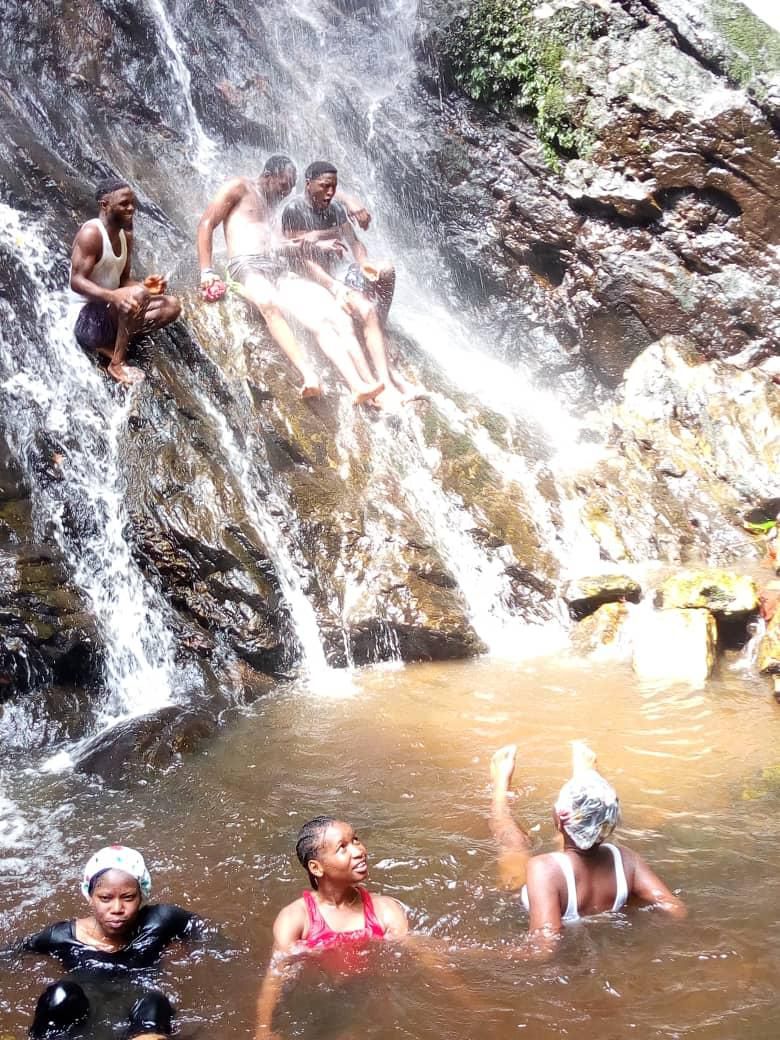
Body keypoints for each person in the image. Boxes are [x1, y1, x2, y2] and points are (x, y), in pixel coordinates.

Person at [197, 156, 384, 405]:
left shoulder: (274, 206)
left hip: (276, 267)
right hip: (245, 265)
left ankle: (358, 386)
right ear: (268, 175)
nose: (286, 192)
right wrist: (206, 271)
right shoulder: (239, 187)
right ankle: (308, 373)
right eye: (284, 185)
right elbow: (207, 223)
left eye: (290, 187)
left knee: (323, 316)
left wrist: (318, 241)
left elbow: (281, 244)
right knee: (268, 303)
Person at [489, 742, 686, 959]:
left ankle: (500, 788)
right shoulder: (626, 860)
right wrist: (630, 906)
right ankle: (585, 777)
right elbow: (675, 908)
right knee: (575, 842)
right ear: (610, 823)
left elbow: (543, 949)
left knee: (514, 843)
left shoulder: (544, 869)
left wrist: (460, 952)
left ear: (558, 819)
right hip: (581, 882)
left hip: (556, 880)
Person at [6, 845, 206, 1038]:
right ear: (90, 896)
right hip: (84, 1021)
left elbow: (205, 931)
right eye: (105, 898)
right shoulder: (62, 937)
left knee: (153, 1001)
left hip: (142, 1016)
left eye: (128, 897)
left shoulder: (160, 921)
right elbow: (12, 952)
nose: (117, 908)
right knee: (60, 996)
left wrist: (196, 955)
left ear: (141, 895)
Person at [282, 161, 420, 409]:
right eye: (325, 187)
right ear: (308, 184)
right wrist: (333, 286)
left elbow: (354, 240)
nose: (330, 192)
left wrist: (365, 263)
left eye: (334, 187)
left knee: (387, 269)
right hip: (316, 278)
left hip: (341, 270)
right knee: (365, 310)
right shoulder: (294, 210)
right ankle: (384, 382)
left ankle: (378, 332)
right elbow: (301, 258)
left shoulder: (335, 208)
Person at [255, 816, 408, 1038]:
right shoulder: (296, 919)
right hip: (316, 1003)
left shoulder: (385, 910)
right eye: (342, 847)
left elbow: (419, 953)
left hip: (368, 999)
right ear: (316, 867)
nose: (359, 851)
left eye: (355, 840)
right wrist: (263, 1030)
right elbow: (276, 977)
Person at [70, 179, 181, 386]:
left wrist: (146, 287)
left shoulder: (124, 236)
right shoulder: (91, 234)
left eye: (132, 203)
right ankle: (116, 363)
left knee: (171, 306)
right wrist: (115, 296)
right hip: (85, 320)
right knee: (138, 295)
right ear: (105, 205)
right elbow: (76, 281)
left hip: (110, 312)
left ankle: (112, 344)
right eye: (124, 204)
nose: (131, 208)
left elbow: (122, 281)